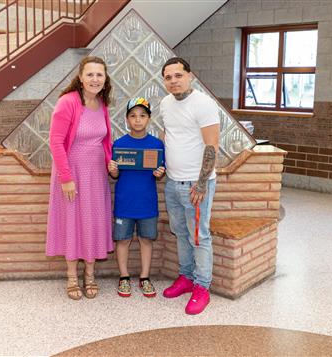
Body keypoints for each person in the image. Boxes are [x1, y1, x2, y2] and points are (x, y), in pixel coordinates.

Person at [46, 56, 114, 300]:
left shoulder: (102, 103)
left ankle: (90, 275)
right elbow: (55, 142)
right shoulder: (68, 102)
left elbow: (105, 141)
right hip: (72, 173)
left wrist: (110, 164)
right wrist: (66, 177)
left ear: (105, 79)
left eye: (99, 75)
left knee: (93, 221)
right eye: (90, 74)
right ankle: (72, 276)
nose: (95, 79)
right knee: (73, 222)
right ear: (81, 77)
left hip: (96, 176)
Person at [159, 57, 220, 315]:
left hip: (196, 185)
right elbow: (170, 136)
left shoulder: (204, 104)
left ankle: (202, 287)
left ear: (190, 76)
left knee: (199, 236)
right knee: (181, 233)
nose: (173, 81)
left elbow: (211, 146)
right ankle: (185, 278)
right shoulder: (165, 103)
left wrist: (202, 183)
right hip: (172, 183)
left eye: (178, 75)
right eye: (168, 77)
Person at [108, 97, 165, 298]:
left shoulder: (157, 144)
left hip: (147, 204)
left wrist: (160, 173)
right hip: (124, 204)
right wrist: (113, 170)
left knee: (146, 240)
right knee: (122, 241)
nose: (137, 120)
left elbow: (160, 171)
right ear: (127, 119)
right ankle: (124, 277)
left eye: (142, 116)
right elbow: (115, 175)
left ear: (149, 119)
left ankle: (144, 277)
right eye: (133, 116)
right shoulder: (119, 144)